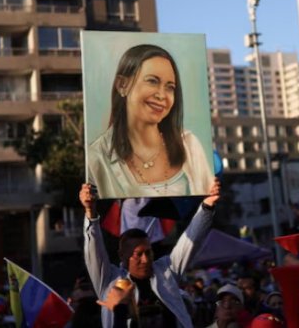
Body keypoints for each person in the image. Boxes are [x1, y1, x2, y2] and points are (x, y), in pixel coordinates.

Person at [81, 179, 220, 327]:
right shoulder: (109, 280)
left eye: (149, 252)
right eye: (138, 254)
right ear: (122, 255)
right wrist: (90, 212)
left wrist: (207, 205)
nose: (146, 259)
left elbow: (192, 239)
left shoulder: (166, 271)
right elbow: (94, 250)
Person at [87, 44, 214, 198]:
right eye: (152, 81)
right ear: (122, 85)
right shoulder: (95, 159)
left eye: (170, 87)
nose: (161, 95)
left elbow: (210, 205)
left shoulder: (190, 146)